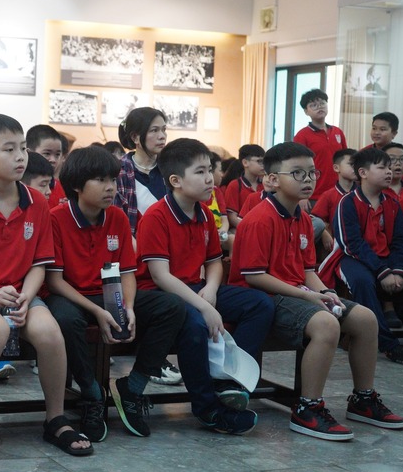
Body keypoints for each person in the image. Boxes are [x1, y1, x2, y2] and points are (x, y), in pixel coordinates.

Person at [230, 141, 403, 440]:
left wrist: (325, 291)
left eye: (312, 173)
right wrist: (307, 295)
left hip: (299, 292)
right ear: (272, 179)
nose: (308, 179)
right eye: (297, 173)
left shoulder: (302, 219)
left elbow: (307, 270)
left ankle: (363, 399)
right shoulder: (260, 219)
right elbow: (255, 277)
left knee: (365, 319)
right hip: (266, 298)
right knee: (326, 324)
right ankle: (307, 407)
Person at [0, 113, 93, 459]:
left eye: (23, 148)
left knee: (50, 332)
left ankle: (55, 418)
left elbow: (40, 263)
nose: (20, 157)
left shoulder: (37, 202)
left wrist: (27, 296)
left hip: (20, 293)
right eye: (9, 149)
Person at [46, 146, 185, 440]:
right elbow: (55, 281)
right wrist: (98, 311)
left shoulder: (118, 217)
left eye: (112, 179)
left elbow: (126, 272)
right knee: (65, 320)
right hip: (70, 296)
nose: (110, 187)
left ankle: (132, 387)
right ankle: (91, 394)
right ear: (76, 185)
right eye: (100, 180)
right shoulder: (56, 218)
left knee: (172, 306)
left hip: (110, 294)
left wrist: (128, 307)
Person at [136, 138, 274, 434]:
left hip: (196, 288)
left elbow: (214, 262)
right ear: (176, 180)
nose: (210, 178)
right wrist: (204, 306)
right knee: (197, 325)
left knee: (260, 304)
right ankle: (207, 409)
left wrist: (210, 290)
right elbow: (160, 276)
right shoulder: (156, 217)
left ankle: (228, 382)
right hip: (163, 296)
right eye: (200, 172)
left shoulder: (204, 214)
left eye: (210, 169)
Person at [318, 148, 403, 364]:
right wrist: (383, 271)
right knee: (362, 281)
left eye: (389, 168)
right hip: (350, 258)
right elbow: (351, 244)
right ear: (363, 172)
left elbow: (401, 242)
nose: (389, 172)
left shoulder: (392, 204)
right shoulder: (348, 202)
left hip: (385, 260)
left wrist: (398, 270)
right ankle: (389, 346)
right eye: (382, 167)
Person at [116, 107, 182, 386]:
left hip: (168, 253)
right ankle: (153, 359)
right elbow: (119, 222)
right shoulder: (120, 170)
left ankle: (160, 356)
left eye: (164, 129)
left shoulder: (170, 169)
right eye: (154, 130)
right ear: (135, 136)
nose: (162, 136)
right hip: (131, 255)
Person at [292, 88, 348, 207]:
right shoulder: (302, 135)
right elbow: (297, 167)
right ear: (306, 111)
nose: (319, 107)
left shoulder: (337, 132)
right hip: (314, 195)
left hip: (340, 192)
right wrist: (301, 196)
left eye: (322, 103)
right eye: (313, 105)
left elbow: (346, 161)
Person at [310, 148, 357, 249]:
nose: (355, 167)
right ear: (336, 168)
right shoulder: (328, 195)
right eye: (351, 164)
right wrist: (324, 233)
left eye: (357, 164)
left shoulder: (362, 194)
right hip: (336, 246)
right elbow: (315, 219)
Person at [224, 144, 265, 229]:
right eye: (259, 161)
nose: (263, 165)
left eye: (264, 161)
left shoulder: (265, 185)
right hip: (242, 228)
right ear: (245, 163)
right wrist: (249, 228)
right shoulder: (235, 185)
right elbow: (232, 217)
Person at [26, 124, 67, 208]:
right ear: (29, 152)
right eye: (47, 153)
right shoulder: (15, 189)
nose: (53, 160)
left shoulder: (63, 189)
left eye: (57, 154)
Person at [368, 112, 403, 186]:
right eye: (374, 128)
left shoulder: (401, 157)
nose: (376, 132)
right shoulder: (364, 153)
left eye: (382, 129)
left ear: (394, 133)